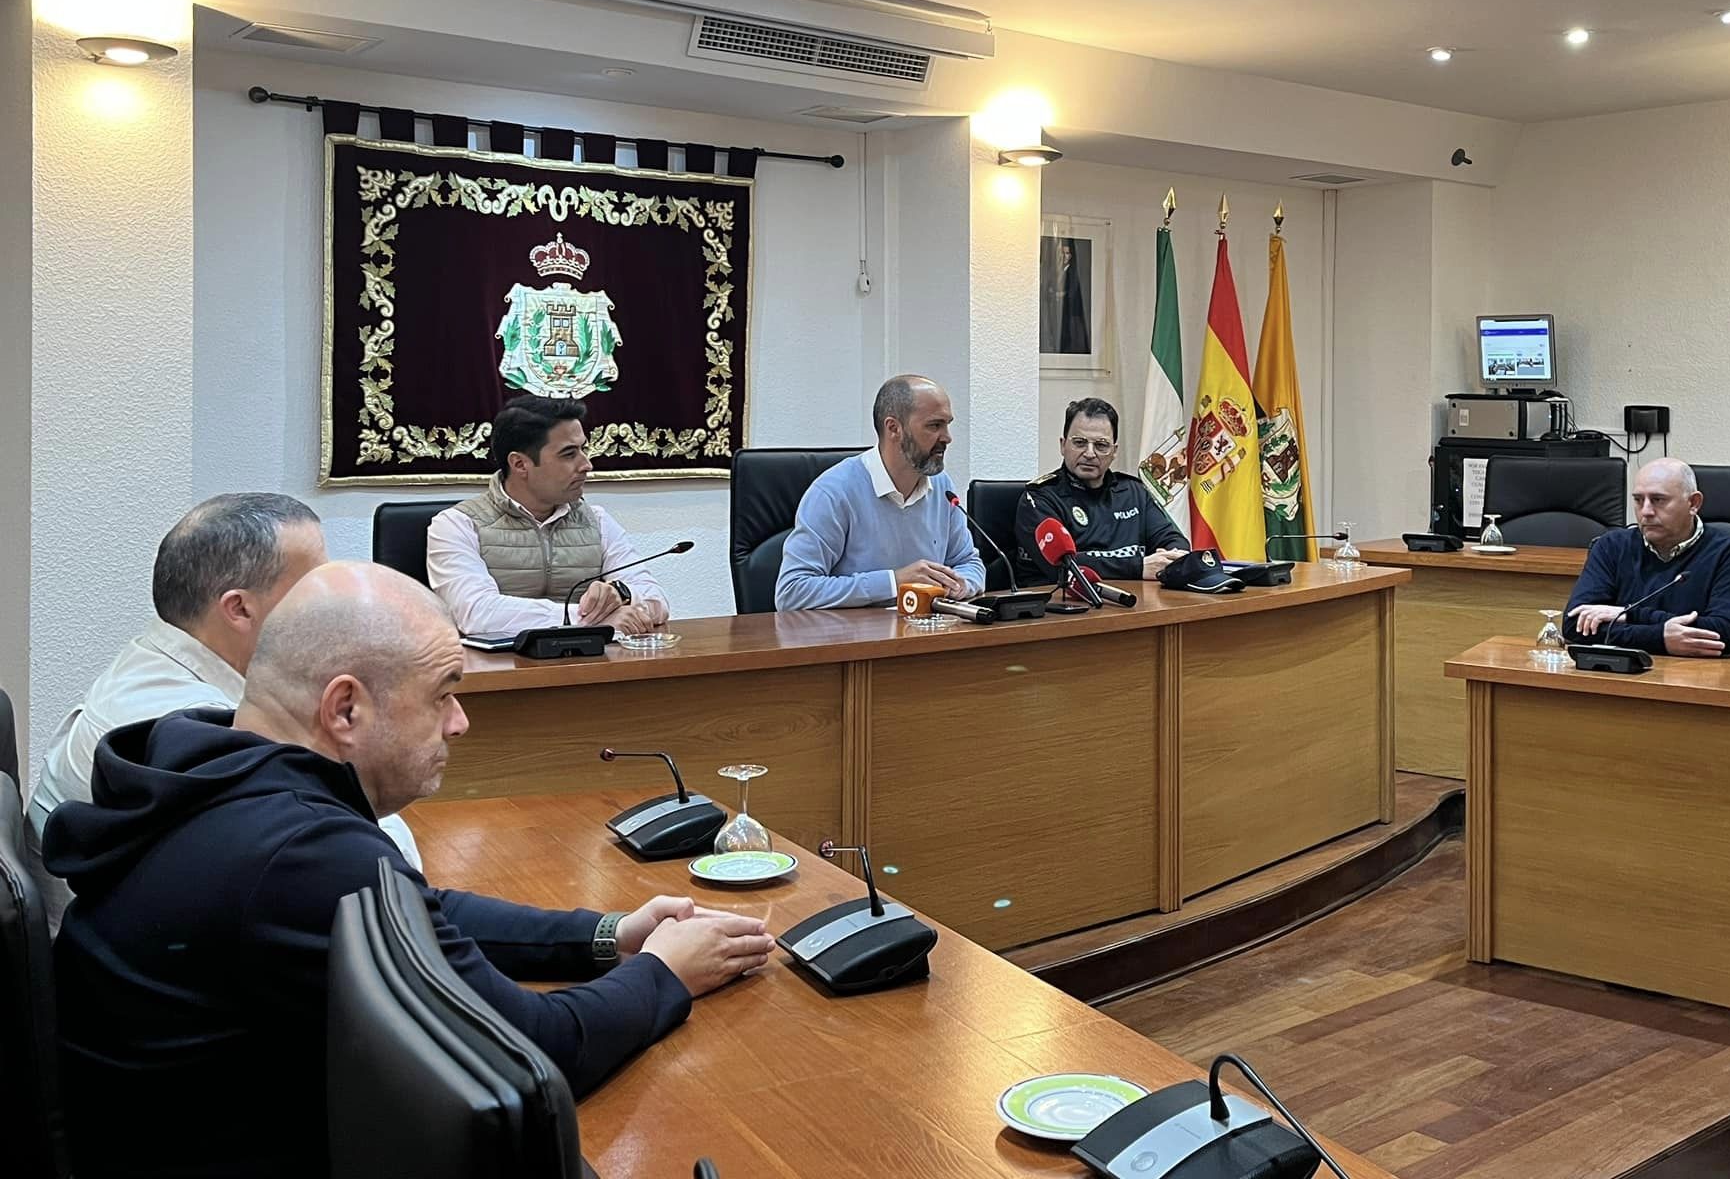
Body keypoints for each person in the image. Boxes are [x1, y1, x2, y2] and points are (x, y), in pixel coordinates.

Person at [43, 562, 774, 1179]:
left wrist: (609, 934)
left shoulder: (213, 764)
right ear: (346, 709)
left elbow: (410, 910)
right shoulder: (295, 855)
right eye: (443, 693)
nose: (459, 722)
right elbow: (531, 1055)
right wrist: (668, 974)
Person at [27, 493, 421, 925]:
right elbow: (374, 875)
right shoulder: (189, 727)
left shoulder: (155, 662)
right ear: (238, 608)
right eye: (312, 588)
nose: (331, 606)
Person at [427, 394, 671, 638]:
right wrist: (589, 620)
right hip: (501, 671)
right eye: (568, 454)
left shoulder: (596, 520)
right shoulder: (456, 524)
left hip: (590, 667)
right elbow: (476, 613)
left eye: (583, 449)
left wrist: (622, 594)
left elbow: (656, 601)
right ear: (520, 464)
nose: (586, 464)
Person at [776, 374, 985, 610]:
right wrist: (894, 582)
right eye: (934, 425)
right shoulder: (834, 492)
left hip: (924, 634)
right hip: (853, 640)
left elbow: (968, 562)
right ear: (894, 428)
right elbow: (792, 592)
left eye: (947, 424)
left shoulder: (941, 486)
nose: (947, 437)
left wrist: (960, 584)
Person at [1564, 458, 1730, 657]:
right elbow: (1575, 625)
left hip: (1698, 678)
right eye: (1638, 500)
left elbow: (1722, 634)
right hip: (1622, 677)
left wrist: (1628, 615)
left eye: (1658, 500)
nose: (1646, 511)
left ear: (1693, 503)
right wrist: (1659, 637)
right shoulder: (1611, 546)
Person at [1015, 397, 1190, 584]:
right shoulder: (1039, 499)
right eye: (1080, 442)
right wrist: (1138, 567)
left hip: (1133, 602)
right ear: (1063, 445)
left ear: (1114, 451)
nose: (1090, 453)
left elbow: (1173, 540)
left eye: (1101, 445)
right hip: (1064, 605)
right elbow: (1063, 566)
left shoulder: (1133, 492)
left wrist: (1169, 558)